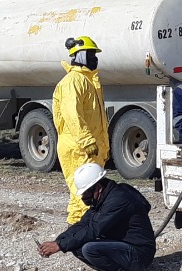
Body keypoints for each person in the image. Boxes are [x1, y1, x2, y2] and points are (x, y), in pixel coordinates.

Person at [37, 163, 156, 271]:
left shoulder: (118, 199)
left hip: (140, 254)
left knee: (89, 249)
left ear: (98, 188)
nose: (83, 198)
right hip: (125, 247)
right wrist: (58, 242)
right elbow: (84, 224)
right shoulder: (105, 197)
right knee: (77, 246)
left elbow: (93, 229)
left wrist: (60, 246)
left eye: (86, 193)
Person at [53, 35, 109, 225]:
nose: (95, 58)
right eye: (92, 54)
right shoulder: (73, 82)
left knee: (83, 196)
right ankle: (84, 233)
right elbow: (72, 115)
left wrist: (102, 146)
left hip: (86, 147)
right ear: (81, 55)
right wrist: (86, 141)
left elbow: (96, 118)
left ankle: (78, 230)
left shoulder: (88, 81)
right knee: (85, 195)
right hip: (78, 147)